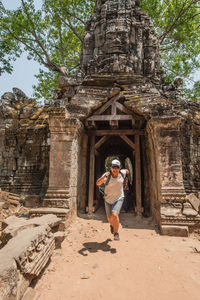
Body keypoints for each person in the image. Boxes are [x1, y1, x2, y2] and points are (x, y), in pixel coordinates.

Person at [96, 159, 129, 241]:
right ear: (110, 167)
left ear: (119, 168)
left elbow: (127, 171)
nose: (115, 169)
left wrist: (127, 171)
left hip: (119, 197)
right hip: (108, 199)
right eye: (113, 167)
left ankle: (116, 233)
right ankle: (112, 225)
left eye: (117, 167)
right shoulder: (107, 176)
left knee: (115, 214)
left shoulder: (122, 173)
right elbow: (98, 183)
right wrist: (103, 177)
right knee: (110, 218)